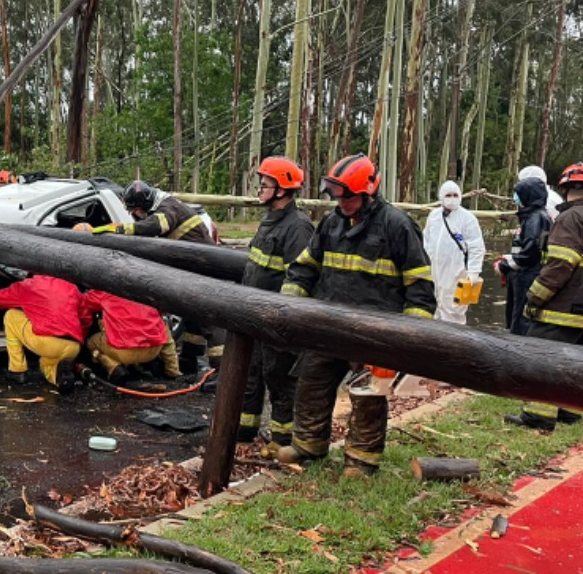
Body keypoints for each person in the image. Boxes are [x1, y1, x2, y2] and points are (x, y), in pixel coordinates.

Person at [276, 153, 436, 477]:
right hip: (329, 323)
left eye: (347, 196)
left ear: (368, 191)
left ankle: (362, 459)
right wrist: (290, 306)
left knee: (368, 395)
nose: (341, 202)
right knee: (312, 381)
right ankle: (308, 444)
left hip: (376, 330)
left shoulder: (397, 225)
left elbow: (419, 285)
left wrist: (409, 337)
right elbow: (305, 267)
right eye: (337, 196)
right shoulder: (331, 223)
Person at [505, 163, 583, 431]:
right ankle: (569, 411)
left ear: (565, 188)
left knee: (540, 359)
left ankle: (538, 417)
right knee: (574, 364)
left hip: (562, 310)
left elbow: (560, 265)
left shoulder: (570, 219)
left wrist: (535, 296)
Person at [234, 157, 315, 455]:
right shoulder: (270, 221)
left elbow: (300, 277)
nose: (260, 189)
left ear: (282, 189)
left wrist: (284, 320)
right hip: (256, 315)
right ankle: (244, 431)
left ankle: (282, 440)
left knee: (278, 377)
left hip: (278, 321)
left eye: (265, 184)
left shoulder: (298, 227)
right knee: (252, 373)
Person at [114, 179, 218, 374]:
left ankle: (221, 372)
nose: (134, 214)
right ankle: (189, 363)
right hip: (193, 270)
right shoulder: (162, 206)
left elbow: (158, 225)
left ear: (144, 204)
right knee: (192, 321)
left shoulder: (167, 207)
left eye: (135, 210)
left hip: (205, 270)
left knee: (209, 321)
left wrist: (122, 229)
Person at [0, 274, 86, 394]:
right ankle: (60, 377)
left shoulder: (29, 285)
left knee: (11, 315)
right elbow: (85, 317)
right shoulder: (72, 288)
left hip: (48, 343)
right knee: (45, 364)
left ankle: (17, 370)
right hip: (73, 346)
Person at [82, 289, 182, 382]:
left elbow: (84, 302)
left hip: (122, 351)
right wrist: (172, 372)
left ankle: (113, 367)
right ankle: (172, 370)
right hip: (152, 351)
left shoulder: (108, 289)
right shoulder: (149, 290)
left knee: (91, 343)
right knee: (161, 326)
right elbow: (165, 333)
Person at [423, 180, 487, 324]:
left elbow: (476, 246)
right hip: (434, 270)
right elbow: (426, 240)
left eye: (455, 195)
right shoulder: (434, 216)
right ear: (441, 196)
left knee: (454, 309)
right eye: (448, 195)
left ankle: (454, 336)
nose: (452, 198)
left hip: (456, 272)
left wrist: (474, 271)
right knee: (434, 305)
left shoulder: (467, 218)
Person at [496, 177, 552, 336]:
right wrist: (508, 259)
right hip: (522, 275)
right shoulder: (531, 217)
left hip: (528, 276)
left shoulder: (536, 218)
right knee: (516, 318)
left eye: (518, 193)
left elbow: (530, 252)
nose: (515, 198)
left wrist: (504, 266)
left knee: (522, 320)